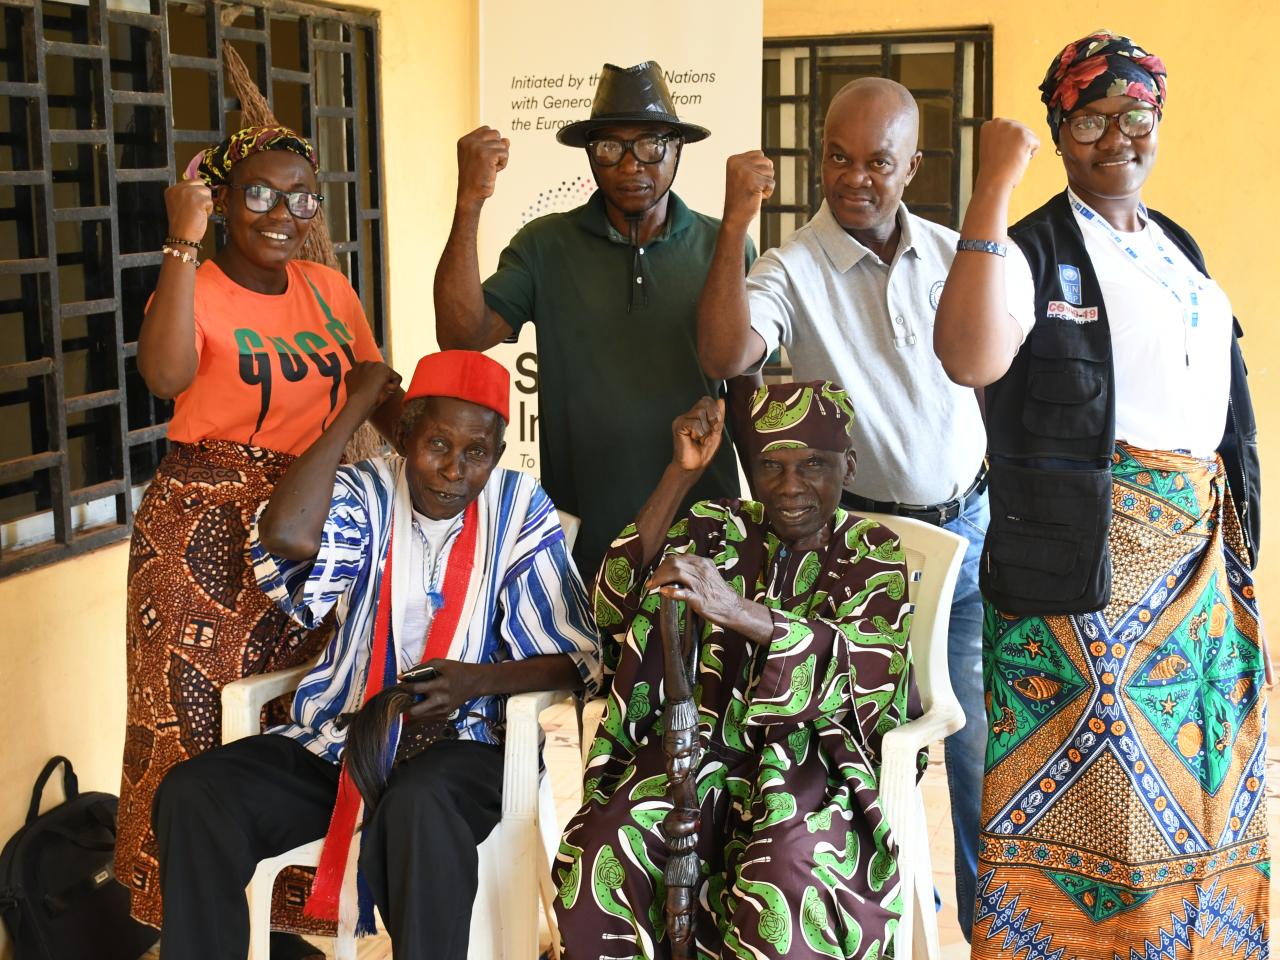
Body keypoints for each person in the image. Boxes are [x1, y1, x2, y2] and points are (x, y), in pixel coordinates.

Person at [932, 32, 1268, 958]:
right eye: (1091, 117)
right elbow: (970, 357)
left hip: (1197, 559)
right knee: (1105, 792)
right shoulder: (1031, 244)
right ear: (1059, 127)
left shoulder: (1174, 244)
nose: (1118, 135)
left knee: (1200, 778)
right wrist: (991, 186)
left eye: (1137, 115)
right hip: (1086, 571)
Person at [151, 350, 603, 960]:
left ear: (496, 456)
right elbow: (286, 536)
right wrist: (353, 409)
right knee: (194, 796)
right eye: (437, 443)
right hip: (345, 739)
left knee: (419, 806)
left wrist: (476, 682)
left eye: (476, 453)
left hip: (465, 746)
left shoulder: (519, 507)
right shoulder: (368, 490)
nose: (452, 470)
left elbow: (572, 659)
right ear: (406, 435)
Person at [696, 76, 989, 937]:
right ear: (816, 156)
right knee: (883, 753)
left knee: (977, 752)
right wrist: (736, 224)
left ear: (913, 167)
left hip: (972, 526)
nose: (855, 178)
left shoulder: (950, 250)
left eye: (878, 163)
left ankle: (985, 937)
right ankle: (899, 927)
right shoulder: (789, 265)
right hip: (876, 544)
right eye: (837, 158)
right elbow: (723, 351)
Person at [118, 124, 400, 954]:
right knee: (191, 731)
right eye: (262, 194)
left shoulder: (326, 289)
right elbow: (166, 379)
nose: (284, 214)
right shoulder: (194, 283)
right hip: (198, 537)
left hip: (301, 527)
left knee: (291, 720)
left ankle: (282, 929)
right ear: (226, 195)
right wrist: (180, 238)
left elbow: (380, 394)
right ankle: (196, 930)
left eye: (303, 196)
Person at [557, 382, 919, 960]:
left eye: (813, 466)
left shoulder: (872, 548)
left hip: (814, 765)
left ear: (848, 467)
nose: (791, 487)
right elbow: (611, 605)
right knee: (608, 842)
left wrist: (735, 610)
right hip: (697, 748)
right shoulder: (717, 524)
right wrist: (681, 474)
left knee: (784, 871)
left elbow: (863, 672)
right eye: (771, 467)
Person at [434, 60, 756, 582]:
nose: (631, 166)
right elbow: (461, 336)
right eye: (610, 147)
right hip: (582, 530)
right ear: (590, 155)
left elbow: (744, 390)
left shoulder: (724, 246)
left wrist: (765, 517)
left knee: (700, 664)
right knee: (588, 664)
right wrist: (470, 200)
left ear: (678, 148)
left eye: (651, 145)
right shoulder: (545, 245)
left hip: (704, 522)